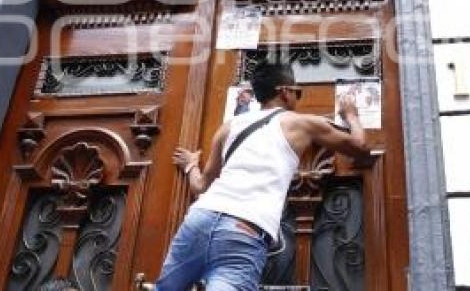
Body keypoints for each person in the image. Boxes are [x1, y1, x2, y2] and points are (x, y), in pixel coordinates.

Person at [156, 61, 368, 291]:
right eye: (298, 92)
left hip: (199, 219)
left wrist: (190, 165)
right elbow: (360, 146)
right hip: (244, 229)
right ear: (285, 92)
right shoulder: (300, 123)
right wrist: (351, 115)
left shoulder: (229, 127)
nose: (297, 99)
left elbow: (200, 186)